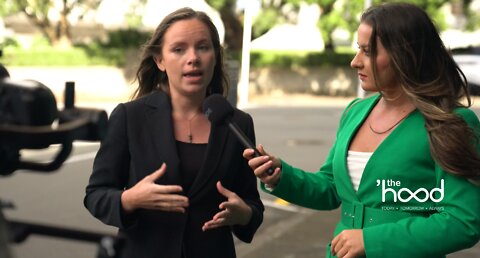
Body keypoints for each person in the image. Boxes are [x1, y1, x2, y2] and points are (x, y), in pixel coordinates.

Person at [244, 3, 480, 258]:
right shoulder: (355, 111)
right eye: (359, 49)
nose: (355, 61)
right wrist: (282, 176)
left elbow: (462, 221)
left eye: (368, 51)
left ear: (405, 55)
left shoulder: (452, 122)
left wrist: (372, 240)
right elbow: (333, 188)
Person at [84, 7, 264, 258]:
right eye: (178, 49)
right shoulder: (130, 117)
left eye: (203, 47)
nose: (193, 58)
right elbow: (96, 195)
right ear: (160, 60)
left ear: (215, 56)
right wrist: (130, 199)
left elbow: (252, 205)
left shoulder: (238, 123)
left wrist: (243, 214)